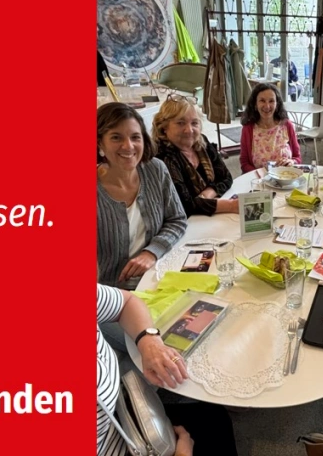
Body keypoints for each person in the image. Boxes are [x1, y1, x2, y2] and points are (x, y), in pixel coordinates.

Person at [97, 283, 238, 456]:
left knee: (214, 416)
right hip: (126, 443)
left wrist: (149, 341)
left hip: (122, 418)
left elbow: (127, 302)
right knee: (213, 421)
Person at [97, 102, 187, 291]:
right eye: (116, 137)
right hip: (113, 294)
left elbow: (177, 219)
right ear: (99, 143)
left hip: (160, 273)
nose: (128, 146)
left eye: (135, 137)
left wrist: (151, 252)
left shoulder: (156, 169)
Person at [152, 95, 238, 216]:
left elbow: (226, 177)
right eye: (181, 123)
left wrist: (208, 193)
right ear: (164, 126)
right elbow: (183, 205)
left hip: (209, 215)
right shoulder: (163, 157)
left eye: (194, 123)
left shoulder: (202, 142)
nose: (189, 130)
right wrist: (231, 205)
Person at [239, 83, 301, 174]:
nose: (267, 106)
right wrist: (263, 175)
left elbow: (297, 157)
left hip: (285, 177)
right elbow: (244, 163)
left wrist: (292, 162)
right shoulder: (248, 129)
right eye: (262, 101)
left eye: (271, 101)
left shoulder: (287, 125)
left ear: (277, 104)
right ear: (255, 104)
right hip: (259, 179)